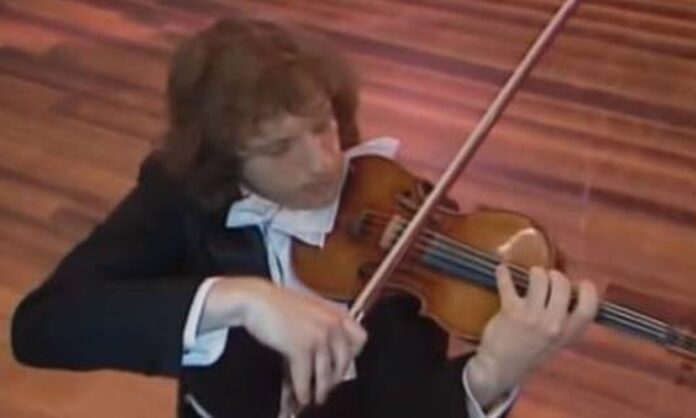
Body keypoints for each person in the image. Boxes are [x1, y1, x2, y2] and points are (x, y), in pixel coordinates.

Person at [11, 16, 599, 418]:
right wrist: (239, 298)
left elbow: (405, 408)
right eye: (278, 148)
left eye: (323, 125)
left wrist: (490, 374)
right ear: (224, 157)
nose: (323, 162)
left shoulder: (396, 219)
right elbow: (43, 327)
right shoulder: (182, 199)